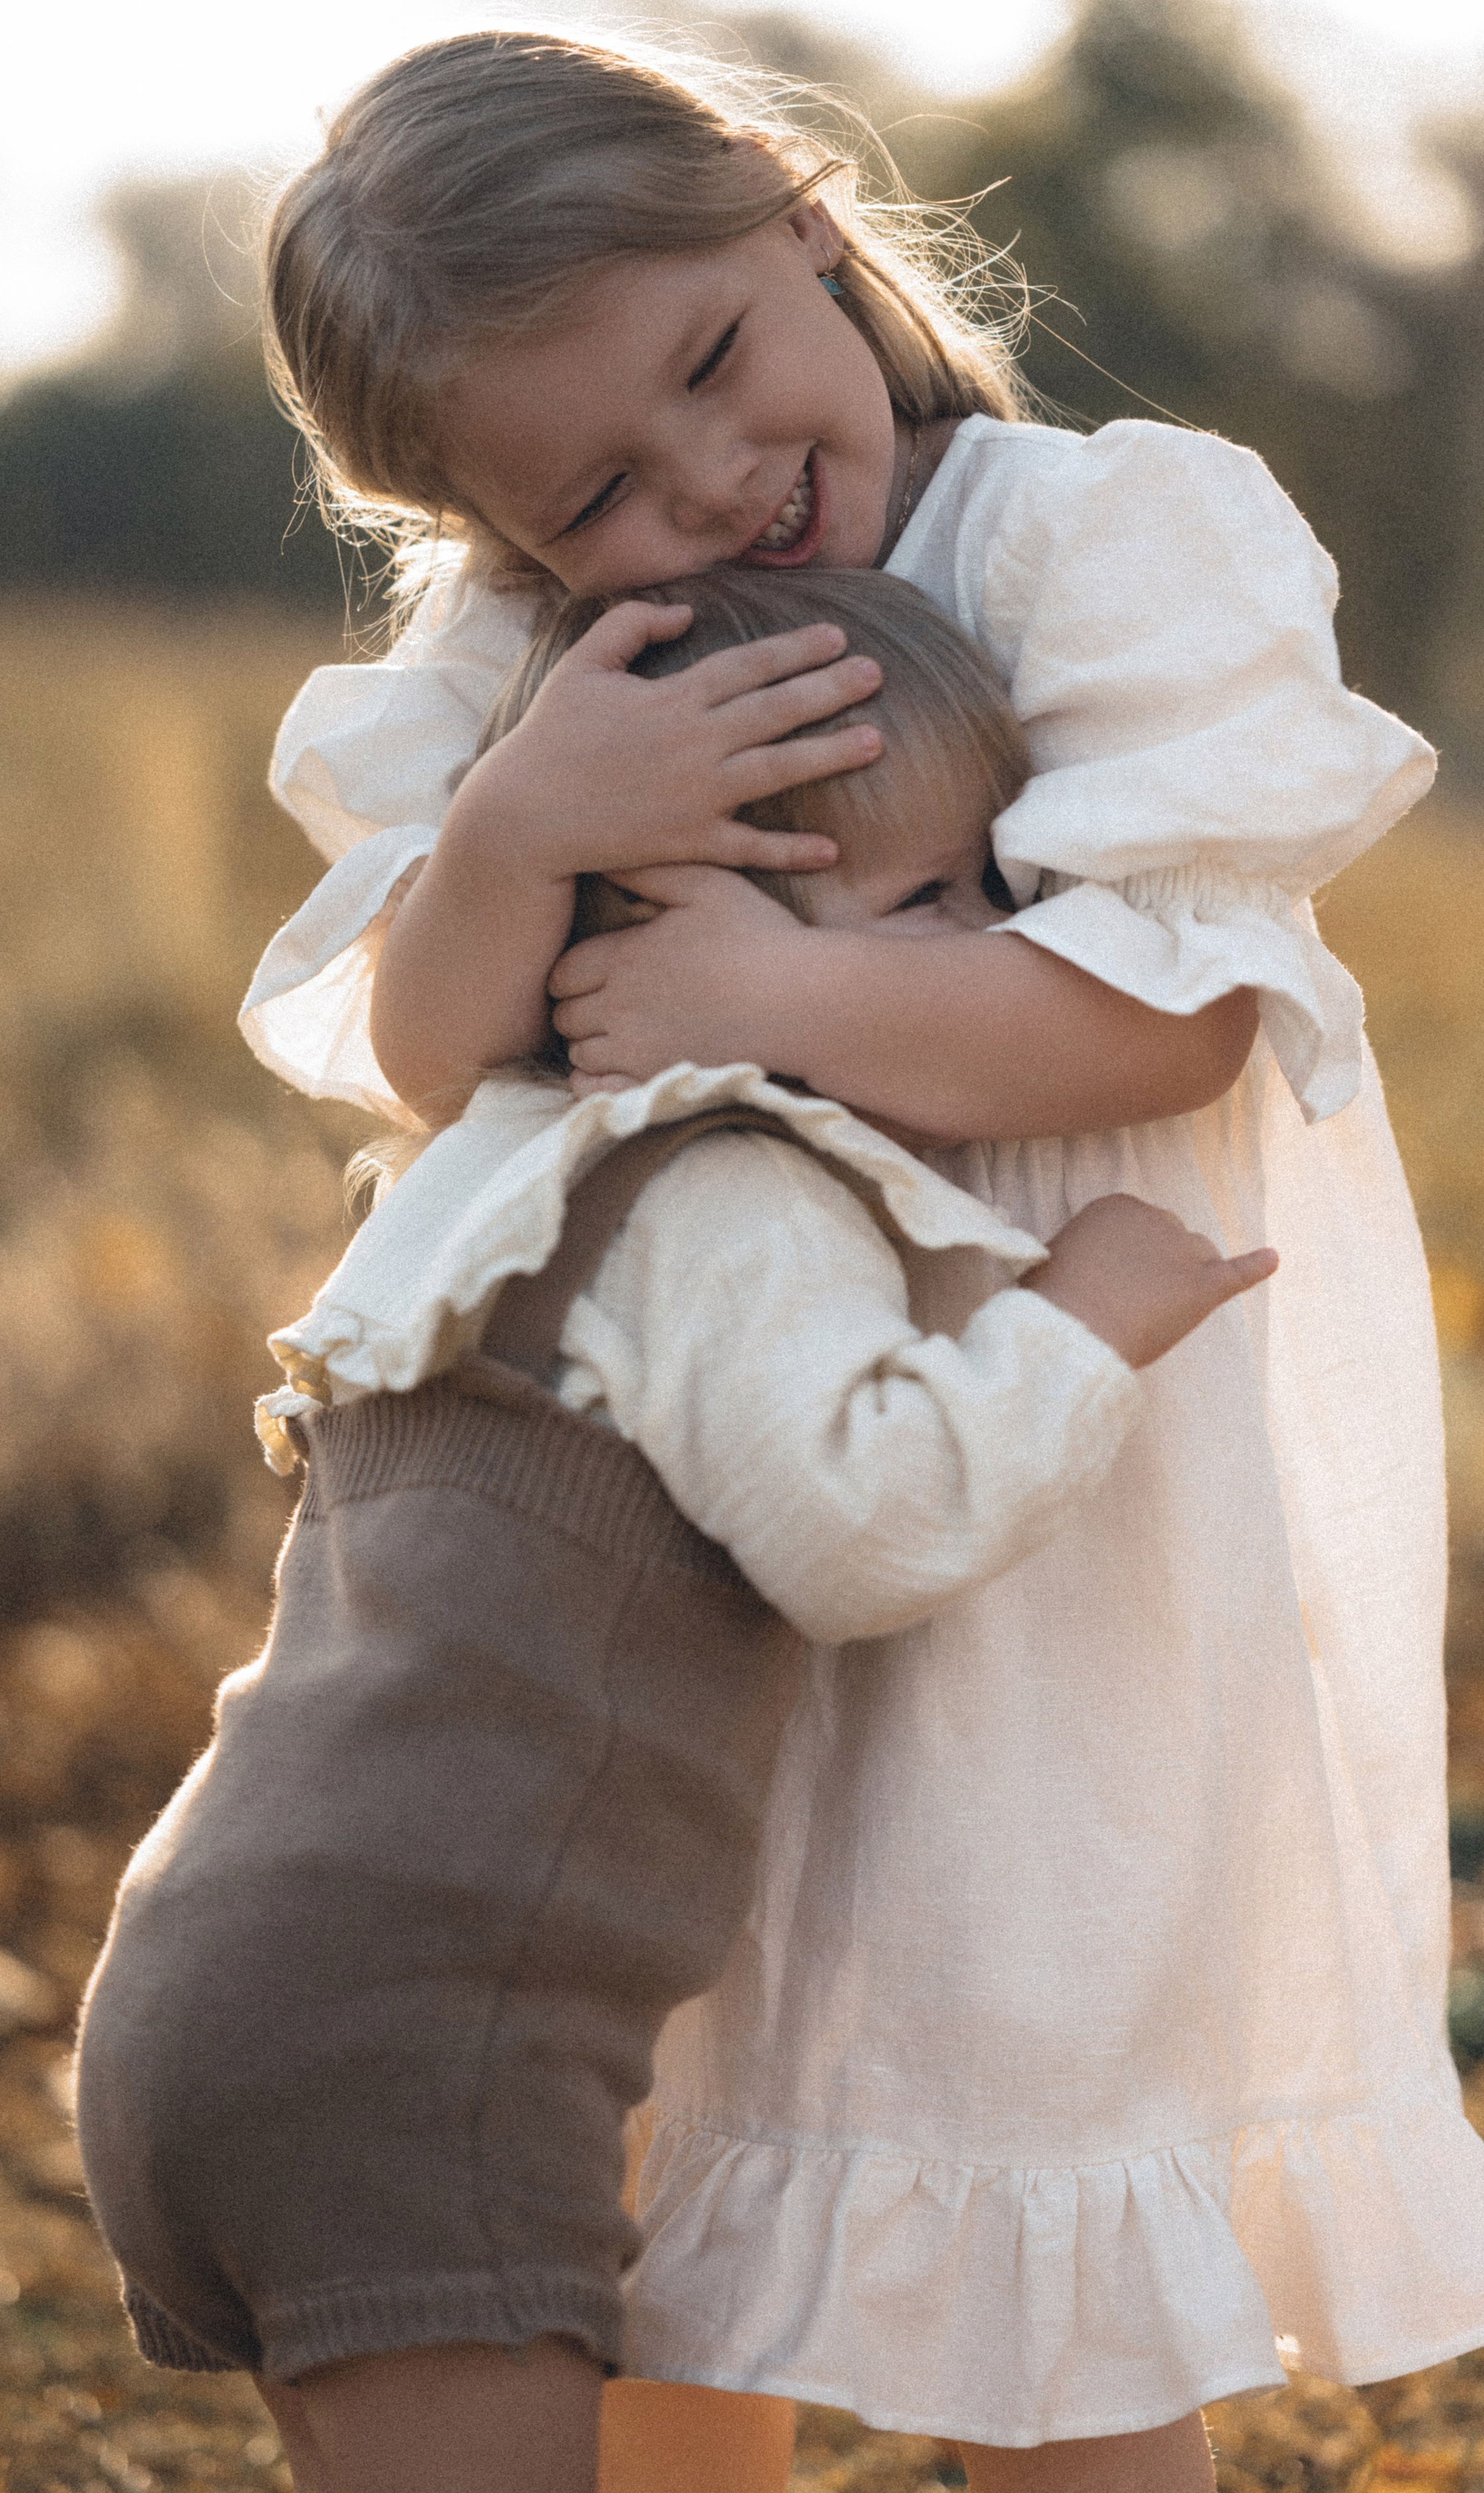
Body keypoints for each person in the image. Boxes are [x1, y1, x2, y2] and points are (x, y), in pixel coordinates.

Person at [234, 28, 1484, 2492]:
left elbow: (1186, 1003)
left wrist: (773, 996)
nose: (707, 480)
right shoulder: (525, 674)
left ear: (806, 216)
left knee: (1035, 2035)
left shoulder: (1092, 540)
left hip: (1061, 1458)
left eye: (713, 361)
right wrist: (516, 840)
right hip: (677, 1506)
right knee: (689, 2067)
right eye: (596, 485)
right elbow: (420, 1054)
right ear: (488, 516)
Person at [74, 569, 1276, 2493]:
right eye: (933, 903)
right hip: (410, 2058)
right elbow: (868, 1522)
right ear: (675, 927)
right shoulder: (731, 1190)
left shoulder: (487, 1170)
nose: (987, 948)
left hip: (213, 1996)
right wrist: (1082, 1325)